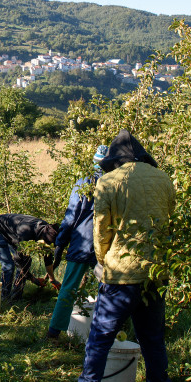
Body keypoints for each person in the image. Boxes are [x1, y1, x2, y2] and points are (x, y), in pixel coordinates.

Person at [74, 130, 176, 382]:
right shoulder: (164, 179)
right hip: (154, 272)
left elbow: (101, 230)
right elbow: (169, 223)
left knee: (100, 339)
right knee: (153, 339)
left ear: (115, 161)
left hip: (121, 274)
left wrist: (106, 262)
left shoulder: (108, 182)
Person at [47, 145, 108, 340]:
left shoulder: (83, 182)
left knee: (68, 288)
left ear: (93, 161)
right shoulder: (113, 183)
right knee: (108, 288)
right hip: (104, 245)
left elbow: (71, 216)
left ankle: (54, 333)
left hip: (81, 243)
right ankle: (104, 333)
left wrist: (60, 242)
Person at [0, 213, 59, 302]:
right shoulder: (25, 233)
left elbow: (48, 258)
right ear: (42, 238)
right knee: (9, 265)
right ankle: (4, 299)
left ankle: (16, 297)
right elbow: (19, 261)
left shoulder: (48, 230)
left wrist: (52, 279)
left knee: (27, 261)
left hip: (12, 232)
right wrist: (33, 279)